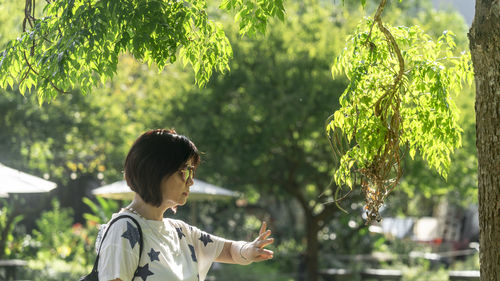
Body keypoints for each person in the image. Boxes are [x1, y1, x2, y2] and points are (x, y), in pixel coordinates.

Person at [95, 129, 274, 281]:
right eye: (185, 171)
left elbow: (229, 251)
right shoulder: (124, 230)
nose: (191, 181)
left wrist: (249, 250)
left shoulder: (180, 232)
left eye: (192, 172)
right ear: (156, 171)